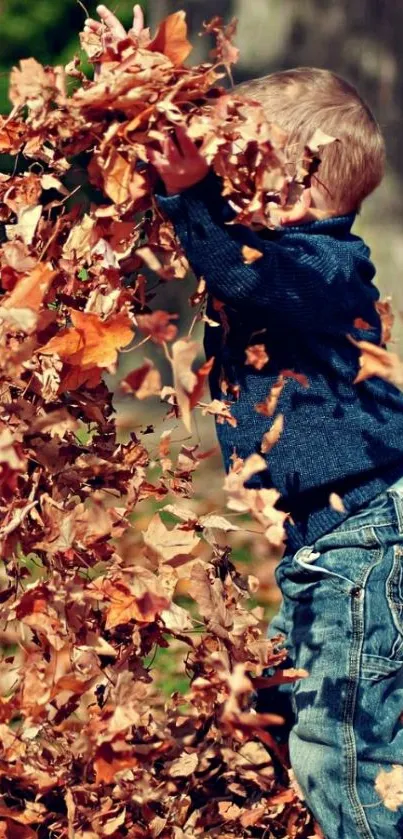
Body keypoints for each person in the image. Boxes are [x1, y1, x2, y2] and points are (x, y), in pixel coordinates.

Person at [87, 8, 403, 838]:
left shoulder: (326, 267)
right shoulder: (287, 256)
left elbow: (240, 269)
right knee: (279, 693)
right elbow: (222, 254)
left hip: (362, 544)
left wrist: (193, 198)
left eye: (238, 168)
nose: (222, 185)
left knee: (343, 751)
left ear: (292, 182)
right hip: (328, 546)